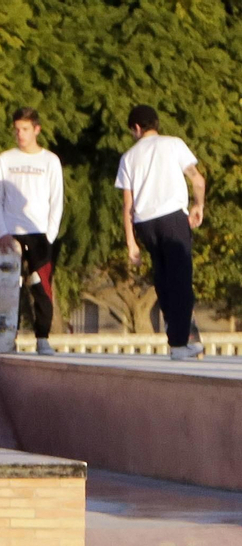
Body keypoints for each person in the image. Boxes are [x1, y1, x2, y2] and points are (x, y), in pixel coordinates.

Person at [117, 105, 205, 360]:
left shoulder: (128, 157)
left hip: (146, 225)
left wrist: (131, 243)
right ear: (155, 123)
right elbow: (197, 179)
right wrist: (198, 205)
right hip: (172, 218)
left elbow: (128, 205)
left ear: (136, 128)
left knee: (163, 279)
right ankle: (180, 342)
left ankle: (175, 336)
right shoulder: (173, 144)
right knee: (181, 280)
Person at [0, 108, 65, 356]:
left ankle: (43, 338)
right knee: (8, 287)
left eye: (25, 129)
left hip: (39, 233)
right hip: (10, 234)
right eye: (16, 129)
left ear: (36, 129)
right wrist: (2, 231)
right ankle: (6, 337)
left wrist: (50, 234)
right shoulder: (5, 159)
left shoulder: (50, 160)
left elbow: (57, 198)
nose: (20, 134)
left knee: (41, 287)